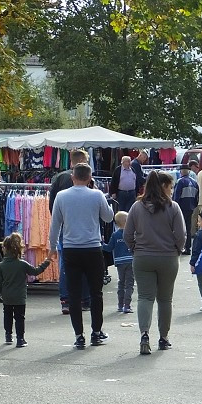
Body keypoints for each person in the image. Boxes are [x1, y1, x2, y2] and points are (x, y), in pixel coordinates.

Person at [49, 163, 113, 349]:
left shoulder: (61, 196)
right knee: (96, 293)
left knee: (74, 295)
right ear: (90, 177)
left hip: (70, 249)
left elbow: (55, 225)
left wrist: (52, 247)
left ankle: (79, 335)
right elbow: (108, 217)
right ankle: (96, 332)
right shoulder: (97, 195)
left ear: (72, 177)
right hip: (92, 248)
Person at [124, 170, 185, 355]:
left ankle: (144, 334)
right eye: (171, 187)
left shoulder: (136, 207)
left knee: (145, 297)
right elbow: (181, 235)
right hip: (167, 257)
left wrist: (134, 247)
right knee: (165, 299)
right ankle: (164, 338)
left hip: (143, 257)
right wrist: (177, 249)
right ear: (164, 186)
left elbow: (127, 234)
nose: (172, 190)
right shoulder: (173, 207)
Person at [49, 149, 92, 316]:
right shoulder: (87, 179)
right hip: (86, 229)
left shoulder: (59, 178)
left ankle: (66, 301)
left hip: (65, 228)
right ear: (81, 161)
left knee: (66, 266)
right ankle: (85, 299)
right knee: (86, 265)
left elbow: (52, 205)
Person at [0, 232, 51, 347]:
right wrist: (46, 262)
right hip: (19, 296)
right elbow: (35, 271)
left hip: (7, 296)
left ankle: (8, 335)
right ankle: (20, 339)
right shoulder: (22, 264)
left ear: (5, 249)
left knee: (7, 316)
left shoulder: (1, 265)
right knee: (19, 317)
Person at [103, 211, 134, 313]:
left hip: (120, 262)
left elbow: (109, 248)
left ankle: (120, 304)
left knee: (121, 282)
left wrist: (101, 243)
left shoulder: (115, 235)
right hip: (130, 260)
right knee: (129, 283)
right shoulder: (131, 234)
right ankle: (127, 305)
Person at [173, 163, 200, 255]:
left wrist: (174, 206)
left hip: (181, 207)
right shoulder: (194, 182)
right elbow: (197, 197)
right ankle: (188, 248)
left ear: (181, 171)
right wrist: (193, 205)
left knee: (179, 228)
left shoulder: (180, 181)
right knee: (188, 228)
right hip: (191, 208)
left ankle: (180, 247)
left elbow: (176, 196)